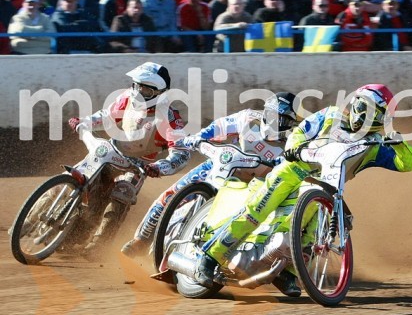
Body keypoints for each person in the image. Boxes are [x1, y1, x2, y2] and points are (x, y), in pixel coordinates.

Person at [192, 85, 412, 287]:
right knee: (256, 211)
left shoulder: (375, 145)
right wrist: (296, 147)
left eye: (377, 113)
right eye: (365, 107)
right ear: (357, 103)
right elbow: (301, 131)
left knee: (310, 231)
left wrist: (399, 143)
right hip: (292, 171)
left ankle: (288, 274)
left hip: (325, 188)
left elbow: (406, 164)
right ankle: (209, 257)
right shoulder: (331, 115)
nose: (368, 116)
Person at [124, 92, 302, 294]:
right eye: (273, 117)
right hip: (220, 165)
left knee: (254, 217)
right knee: (172, 193)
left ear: (291, 123)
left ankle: (259, 263)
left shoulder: (291, 141)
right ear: (265, 112)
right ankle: (142, 238)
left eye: (284, 120)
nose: (277, 124)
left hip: (251, 183)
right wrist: (200, 137)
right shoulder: (248, 118)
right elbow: (220, 126)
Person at [67, 63, 190, 252]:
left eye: (146, 89)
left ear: (160, 92)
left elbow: (182, 153)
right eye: (137, 85)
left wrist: (160, 167)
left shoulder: (169, 117)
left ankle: (97, 246)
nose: (139, 92)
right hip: (111, 152)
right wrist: (84, 122)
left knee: (122, 195)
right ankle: (32, 217)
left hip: (139, 165)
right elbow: (107, 117)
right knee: (77, 177)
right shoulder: (126, 97)